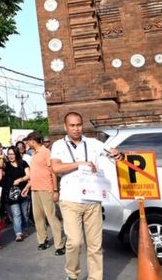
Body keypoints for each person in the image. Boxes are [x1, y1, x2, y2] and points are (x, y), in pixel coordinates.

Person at [51, 112, 123, 280]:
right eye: (72, 125)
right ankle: (72, 274)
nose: (76, 129)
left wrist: (115, 154)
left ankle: (95, 277)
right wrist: (79, 164)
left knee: (95, 245)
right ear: (65, 127)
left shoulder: (93, 143)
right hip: (70, 199)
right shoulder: (58, 145)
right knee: (74, 242)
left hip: (93, 199)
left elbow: (110, 153)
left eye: (79, 125)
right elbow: (56, 168)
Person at [22, 131, 65, 255]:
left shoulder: (46, 153)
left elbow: (53, 172)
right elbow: (35, 173)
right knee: (38, 217)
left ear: (33, 141)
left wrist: (55, 190)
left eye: (28, 141)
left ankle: (59, 245)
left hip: (46, 188)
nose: (27, 143)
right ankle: (43, 240)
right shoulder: (34, 154)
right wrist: (27, 186)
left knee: (51, 217)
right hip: (35, 189)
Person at [1, 146, 31, 242]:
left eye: (13, 154)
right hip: (12, 191)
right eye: (9, 154)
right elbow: (0, 167)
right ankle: (18, 233)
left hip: (23, 190)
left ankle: (25, 228)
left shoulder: (23, 163)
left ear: (16, 154)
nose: (11, 156)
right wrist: (2, 157)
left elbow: (29, 175)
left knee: (24, 213)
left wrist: (20, 180)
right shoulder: (7, 165)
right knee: (16, 214)